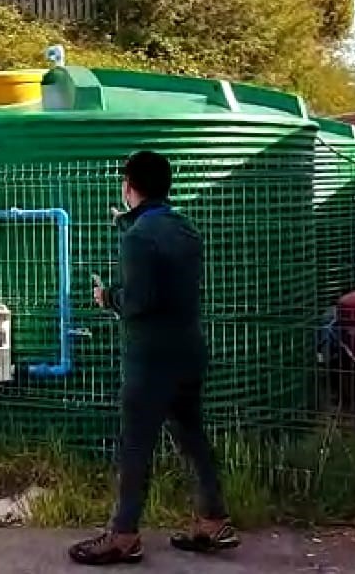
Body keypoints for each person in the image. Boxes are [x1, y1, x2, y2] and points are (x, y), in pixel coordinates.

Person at [69, 150, 240, 566]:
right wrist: (128, 222)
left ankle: (124, 536)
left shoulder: (137, 237)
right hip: (188, 351)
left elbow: (140, 301)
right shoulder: (184, 228)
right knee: (192, 439)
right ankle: (212, 521)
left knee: (135, 447)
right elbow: (163, 262)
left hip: (150, 359)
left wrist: (107, 296)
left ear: (130, 186)